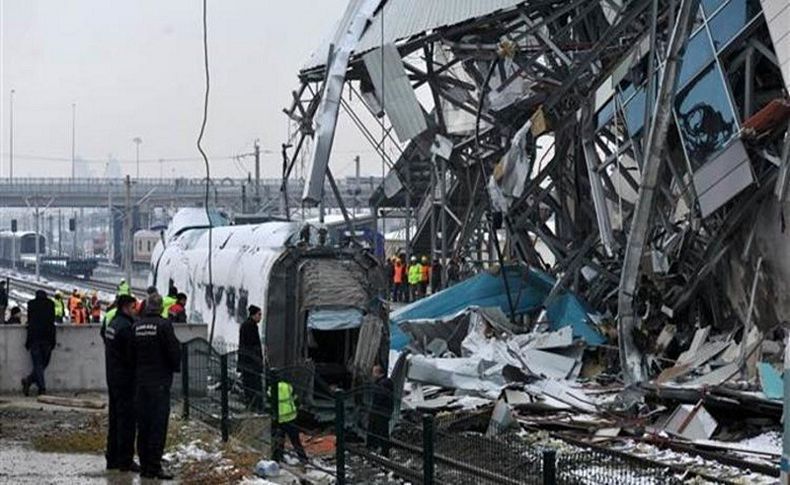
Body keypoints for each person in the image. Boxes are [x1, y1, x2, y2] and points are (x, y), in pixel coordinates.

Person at [133, 294, 180, 480]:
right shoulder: (164, 326)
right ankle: (154, 467)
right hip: (159, 383)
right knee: (157, 426)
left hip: (140, 383)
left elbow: (130, 353)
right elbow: (173, 352)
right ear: (160, 308)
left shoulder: (136, 326)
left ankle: (144, 466)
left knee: (143, 426)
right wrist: (174, 367)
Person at [104, 294, 139, 472]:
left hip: (113, 377)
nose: (136, 311)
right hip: (125, 380)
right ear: (126, 307)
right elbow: (131, 356)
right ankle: (125, 460)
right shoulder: (126, 328)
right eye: (134, 308)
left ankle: (112, 457)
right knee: (127, 421)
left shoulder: (113, 323)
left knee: (115, 419)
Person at [21, 290, 56, 396]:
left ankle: (29, 381)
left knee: (38, 364)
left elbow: (30, 321)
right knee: (43, 363)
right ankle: (42, 388)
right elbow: (52, 322)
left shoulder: (31, 304)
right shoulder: (50, 304)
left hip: (35, 339)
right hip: (47, 339)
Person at [270, 379, 308, 464]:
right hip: (291, 417)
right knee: (295, 441)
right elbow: (295, 399)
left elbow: (270, 401)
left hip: (279, 419)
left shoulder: (271, 388)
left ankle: (277, 459)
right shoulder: (288, 386)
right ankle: (303, 459)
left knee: (278, 439)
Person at [238, 305, 263, 410]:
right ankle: (254, 405)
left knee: (249, 385)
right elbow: (252, 345)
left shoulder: (247, 325)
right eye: (259, 314)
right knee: (253, 385)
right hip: (250, 362)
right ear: (254, 315)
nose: (260, 317)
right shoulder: (250, 326)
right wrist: (258, 360)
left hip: (247, 361)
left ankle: (252, 404)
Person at [367, 364, 394, 457]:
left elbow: (379, 398)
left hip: (381, 411)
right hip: (384, 411)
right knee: (381, 431)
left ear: (378, 373)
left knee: (382, 431)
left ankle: (384, 451)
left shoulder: (382, 384)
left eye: (374, 372)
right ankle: (380, 449)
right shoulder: (384, 383)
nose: (372, 375)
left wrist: (374, 409)